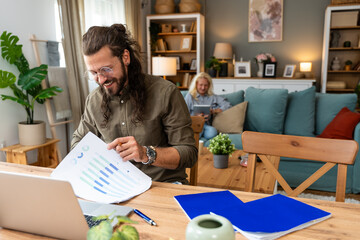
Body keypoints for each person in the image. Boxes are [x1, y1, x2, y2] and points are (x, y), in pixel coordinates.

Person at [72, 24, 197, 184]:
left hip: (163, 185)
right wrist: (96, 155)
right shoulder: (94, 99)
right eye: (94, 73)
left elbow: (189, 153)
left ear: (125, 57)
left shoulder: (165, 92)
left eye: (106, 69)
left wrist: (146, 153)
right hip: (115, 187)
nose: (101, 80)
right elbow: (78, 142)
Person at [184, 72, 231, 140]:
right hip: (194, 124)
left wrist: (214, 111)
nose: (203, 88)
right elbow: (184, 115)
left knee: (213, 131)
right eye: (201, 85)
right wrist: (196, 118)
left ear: (209, 85)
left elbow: (228, 105)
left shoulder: (212, 96)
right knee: (196, 132)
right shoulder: (190, 96)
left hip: (206, 126)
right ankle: (199, 135)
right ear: (196, 84)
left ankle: (200, 134)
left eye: (205, 85)